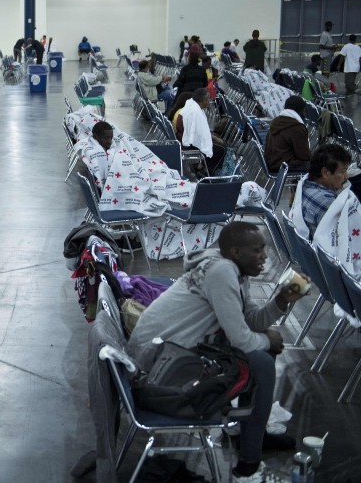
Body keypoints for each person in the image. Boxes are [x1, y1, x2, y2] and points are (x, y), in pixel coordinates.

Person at [127, 221, 305, 482]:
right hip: (158, 367)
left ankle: (251, 436)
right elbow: (242, 340)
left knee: (261, 356)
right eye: (258, 250)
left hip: (172, 353)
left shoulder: (232, 269)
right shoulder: (221, 272)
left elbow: (250, 320)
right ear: (236, 252)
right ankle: (249, 464)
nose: (265, 256)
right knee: (261, 359)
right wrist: (268, 341)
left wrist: (280, 301)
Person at [298, 144, 351, 239]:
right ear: (326, 173)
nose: (347, 176)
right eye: (343, 171)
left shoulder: (305, 186)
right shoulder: (326, 202)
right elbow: (352, 231)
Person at [175, 88, 227, 176]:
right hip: (188, 144)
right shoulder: (195, 112)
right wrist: (214, 139)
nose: (209, 101)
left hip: (183, 136)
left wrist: (213, 137)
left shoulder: (192, 105)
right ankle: (207, 173)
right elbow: (199, 134)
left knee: (217, 141)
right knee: (221, 149)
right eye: (208, 99)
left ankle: (200, 166)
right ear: (203, 100)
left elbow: (199, 131)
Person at [264, 95, 310, 172]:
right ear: (300, 110)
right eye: (304, 110)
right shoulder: (297, 127)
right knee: (319, 166)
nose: (304, 113)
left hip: (272, 164)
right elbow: (304, 156)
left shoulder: (276, 121)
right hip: (285, 166)